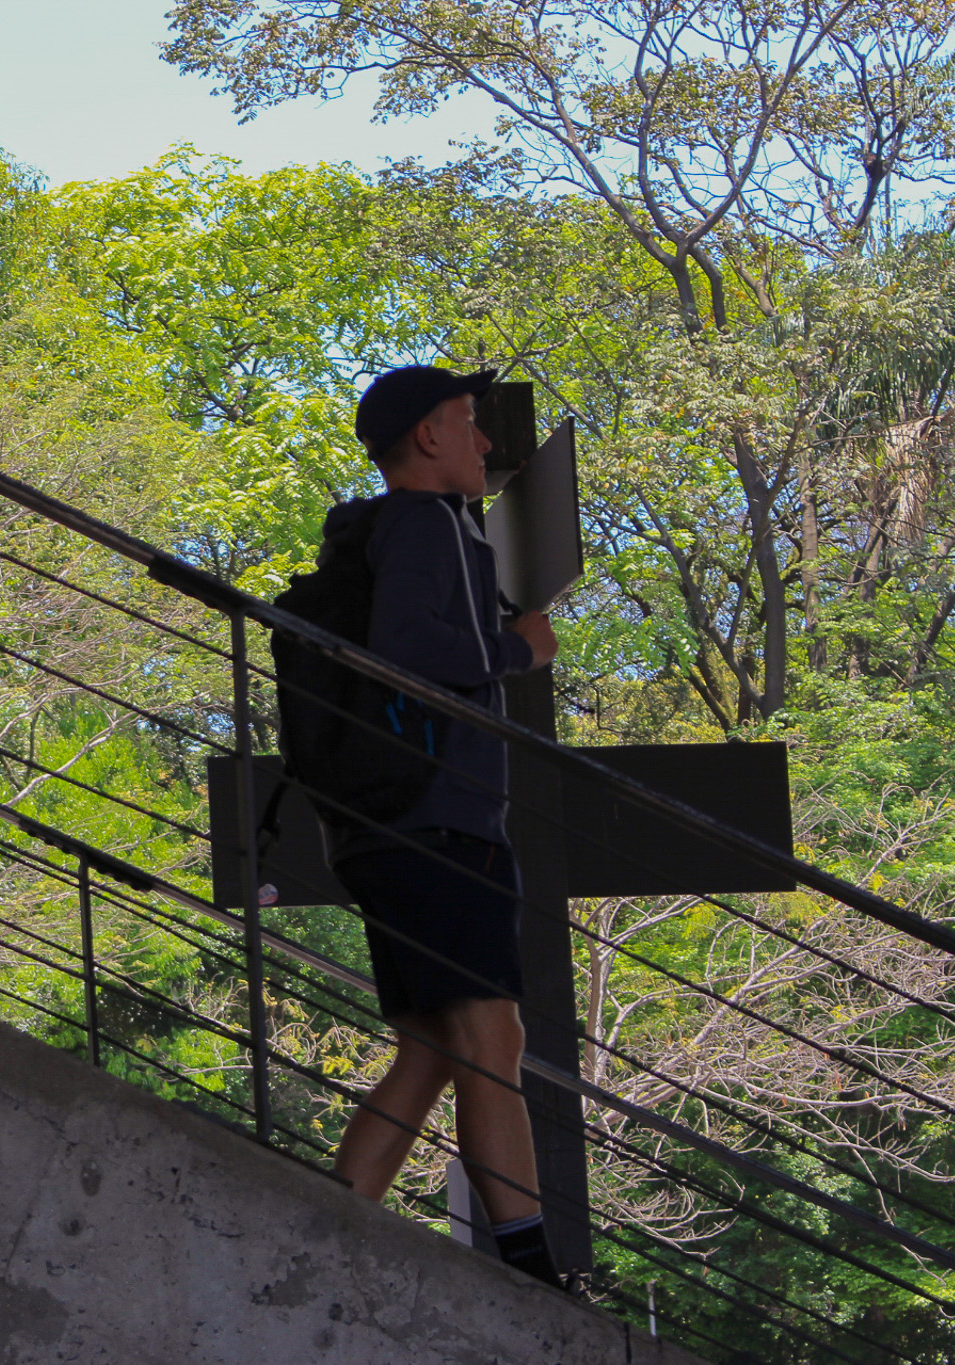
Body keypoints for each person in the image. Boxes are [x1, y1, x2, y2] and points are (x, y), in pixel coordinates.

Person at [322, 365, 563, 1287]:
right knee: (493, 1037)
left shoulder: (387, 533)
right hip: (438, 821)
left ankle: (329, 1221)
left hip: (387, 823)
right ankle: (533, 1272)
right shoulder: (425, 524)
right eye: (471, 423)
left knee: (433, 1045)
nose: (487, 443)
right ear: (429, 436)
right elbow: (410, 654)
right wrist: (521, 648)